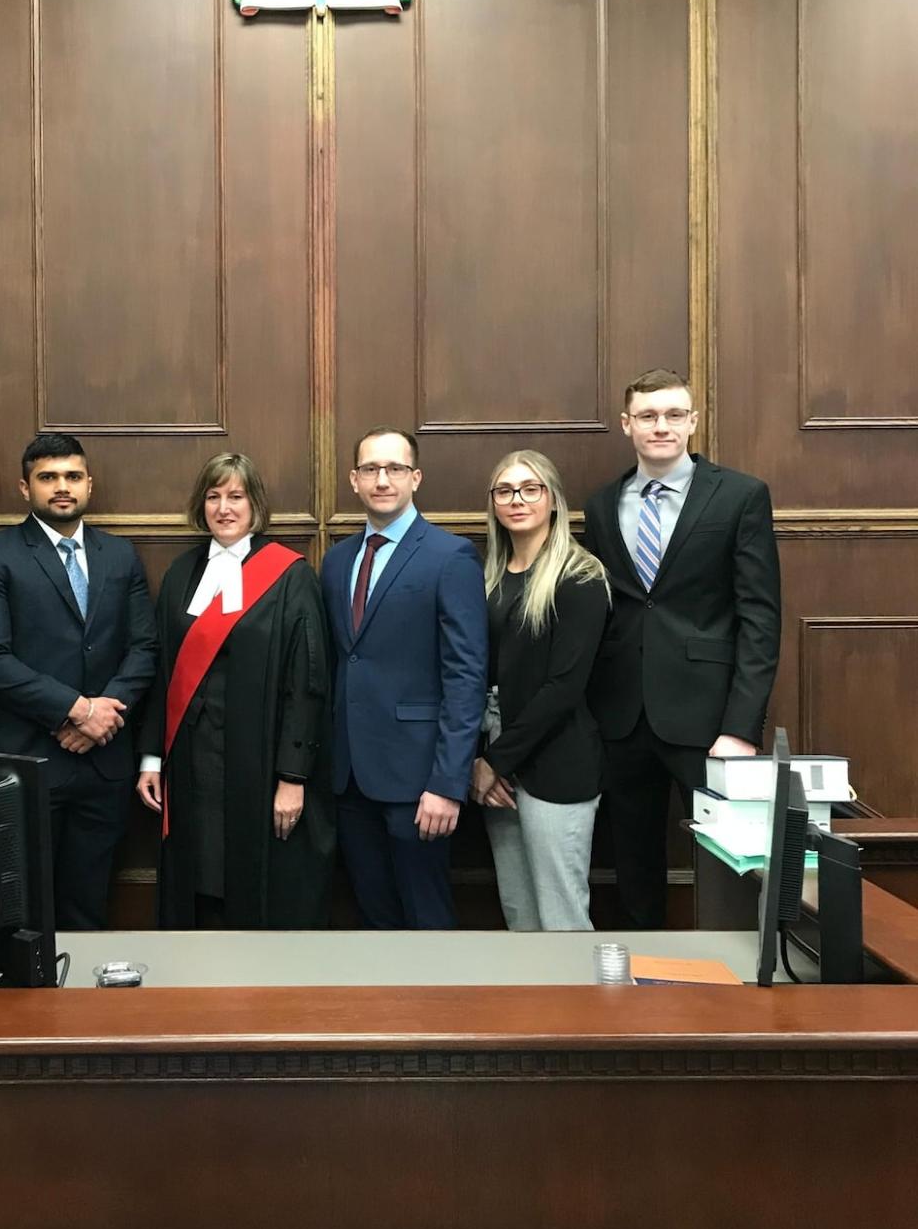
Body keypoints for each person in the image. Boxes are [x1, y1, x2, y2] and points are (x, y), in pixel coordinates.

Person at [581, 368, 782, 928]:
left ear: (693, 421)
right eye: (647, 416)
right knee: (633, 862)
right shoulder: (601, 506)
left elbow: (760, 619)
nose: (661, 426)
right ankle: (646, 981)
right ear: (627, 425)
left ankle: (735, 982)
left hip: (710, 720)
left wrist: (742, 726)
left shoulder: (741, 495)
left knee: (731, 865)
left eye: (673, 414)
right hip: (622, 717)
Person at [0, 434, 157, 929]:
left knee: (89, 909)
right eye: (48, 478)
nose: (61, 488)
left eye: (71, 476)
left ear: (89, 483)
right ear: (25, 488)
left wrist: (102, 714)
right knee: (23, 915)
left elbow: (143, 649)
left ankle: (84, 1008)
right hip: (27, 764)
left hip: (104, 766)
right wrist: (76, 710)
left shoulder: (120, 555)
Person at [136, 453, 334, 928]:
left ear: (255, 505)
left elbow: (306, 685)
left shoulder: (290, 576)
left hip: (259, 760)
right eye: (213, 496)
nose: (224, 508)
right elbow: (162, 672)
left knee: (251, 878)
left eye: (236, 496)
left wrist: (293, 776)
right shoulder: (183, 573)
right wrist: (151, 758)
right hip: (192, 759)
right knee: (199, 868)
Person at [321, 426, 488, 929]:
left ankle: (440, 1012)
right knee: (375, 916)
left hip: (419, 782)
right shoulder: (337, 560)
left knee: (426, 918)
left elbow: (466, 674)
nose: (382, 479)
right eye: (371, 469)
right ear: (354, 480)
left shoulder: (449, 556)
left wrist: (447, 782)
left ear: (415, 477)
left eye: (394, 468)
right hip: (350, 778)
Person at [470, 451, 611, 931]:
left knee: (561, 917)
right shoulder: (488, 574)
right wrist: (481, 758)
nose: (517, 499)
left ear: (553, 499)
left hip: (555, 764)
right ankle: (533, 1010)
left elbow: (563, 688)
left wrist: (495, 761)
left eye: (531, 488)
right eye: (505, 490)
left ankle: (580, 1008)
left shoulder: (581, 576)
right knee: (519, 913)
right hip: (496, 763)